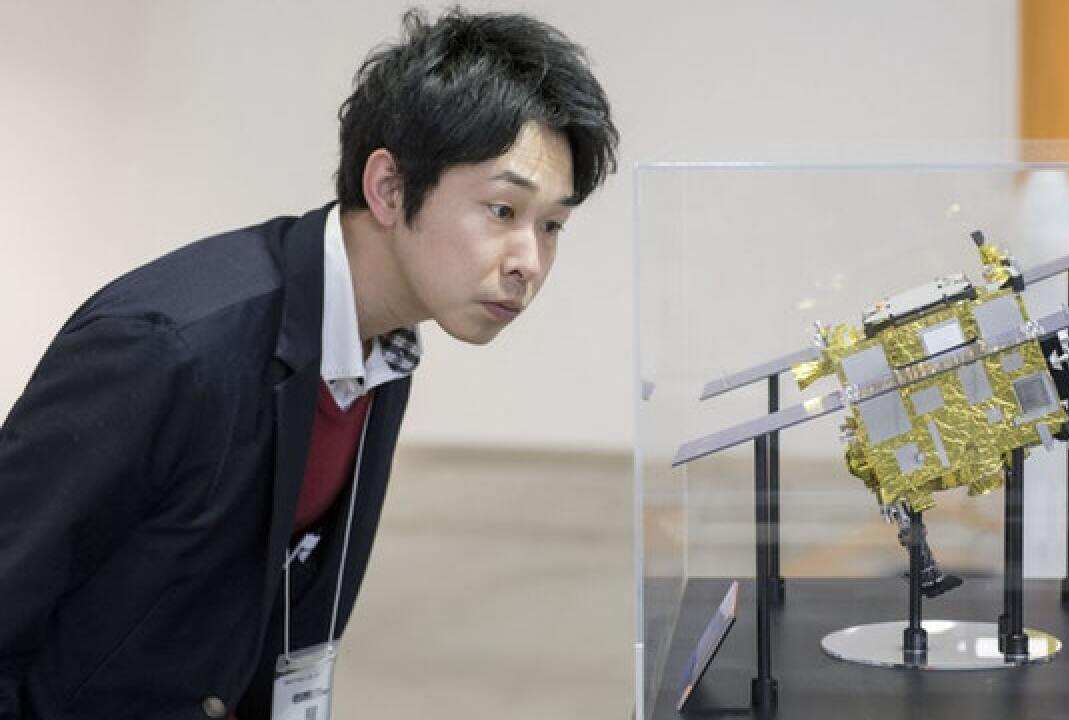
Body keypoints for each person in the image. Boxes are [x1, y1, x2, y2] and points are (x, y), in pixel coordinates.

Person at [0, 7, 618, 718]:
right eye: (503, 210)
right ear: (389, 188)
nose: (529, 262)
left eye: (552, 225)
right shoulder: (169, 349)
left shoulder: (382, 352)